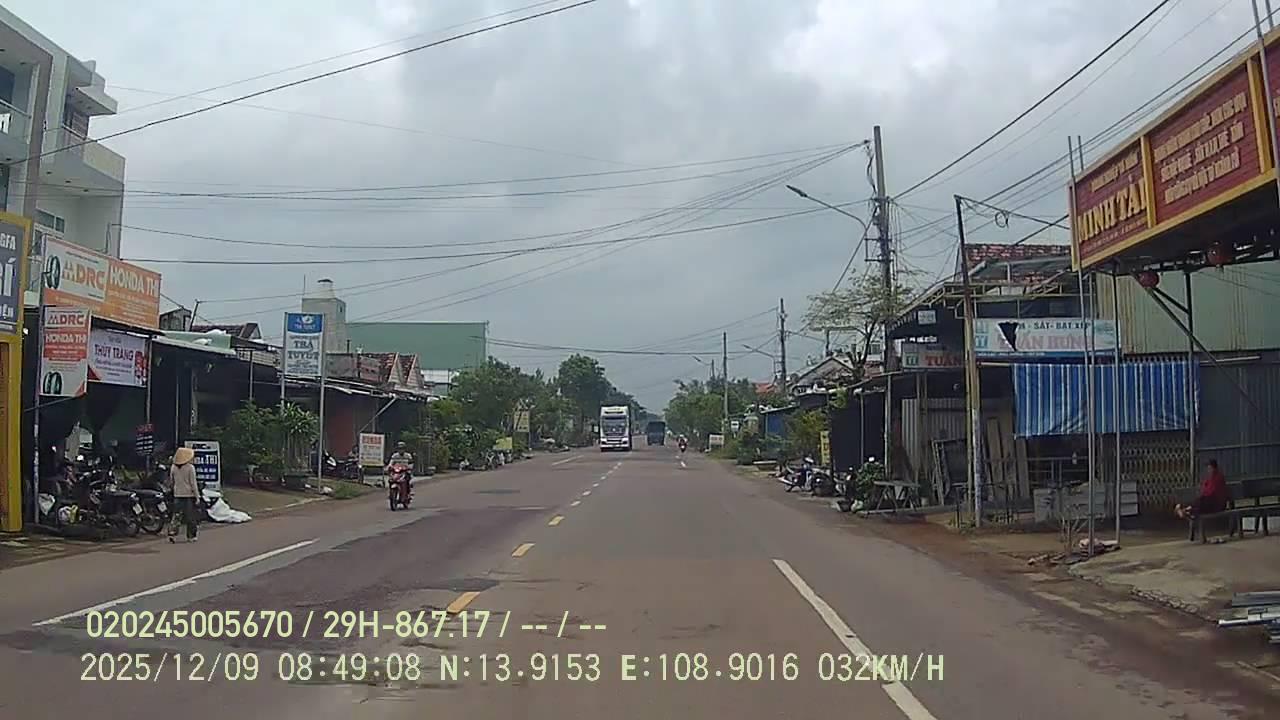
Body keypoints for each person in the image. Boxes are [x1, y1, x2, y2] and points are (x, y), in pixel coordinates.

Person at [168, 447, 200, 543]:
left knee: (176, 515)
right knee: (190, 516)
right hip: (188, 495)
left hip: (177, 494)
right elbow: (193, 483)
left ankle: (172, 533)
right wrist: (197, 497)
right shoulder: (190, 468)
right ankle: (191, 536)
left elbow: (171, 481)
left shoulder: (173, 467)